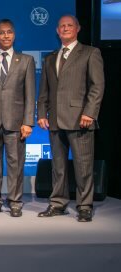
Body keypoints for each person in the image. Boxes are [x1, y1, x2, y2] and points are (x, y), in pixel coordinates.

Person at [37, 15, 105, 222]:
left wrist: (90, 113)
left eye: (69, 25)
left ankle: (84, 205)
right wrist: (41, 114)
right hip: (55, 120)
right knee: (58, 166)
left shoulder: (90, 53)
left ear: (78, 28)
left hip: (80, 118)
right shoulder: (51, 57)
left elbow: (97, 86)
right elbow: (44, 91)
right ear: (57, 31)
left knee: (83, 165)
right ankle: (58, 203)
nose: (65, 29)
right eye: (62, 26)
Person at [0, 19, 35, 218]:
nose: (5, 36)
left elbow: (30, 94)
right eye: (1, 33)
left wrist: (28, 122)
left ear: (14, 35)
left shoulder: (26, 61)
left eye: (9, 32)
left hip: (16, 123)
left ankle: (15, 201)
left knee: (15, 163)